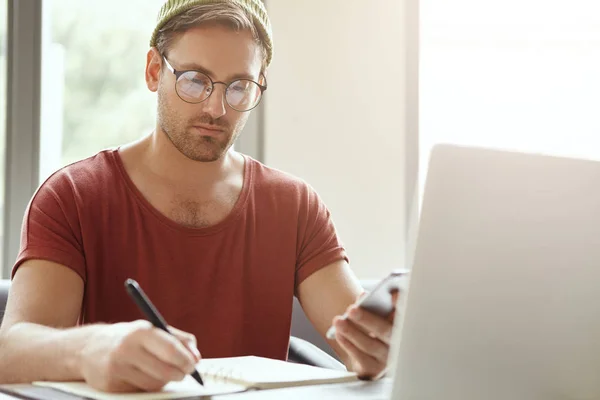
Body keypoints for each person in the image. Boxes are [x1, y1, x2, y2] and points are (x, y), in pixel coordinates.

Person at [0, 0, 398, 392]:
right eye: (194, 79)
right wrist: (88, 348)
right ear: (154, 70)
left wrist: (373, 353)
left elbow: (357, 336)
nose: (216, 108)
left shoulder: (293, 205)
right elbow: (10, 352)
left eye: (239, 87)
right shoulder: (72, 196)